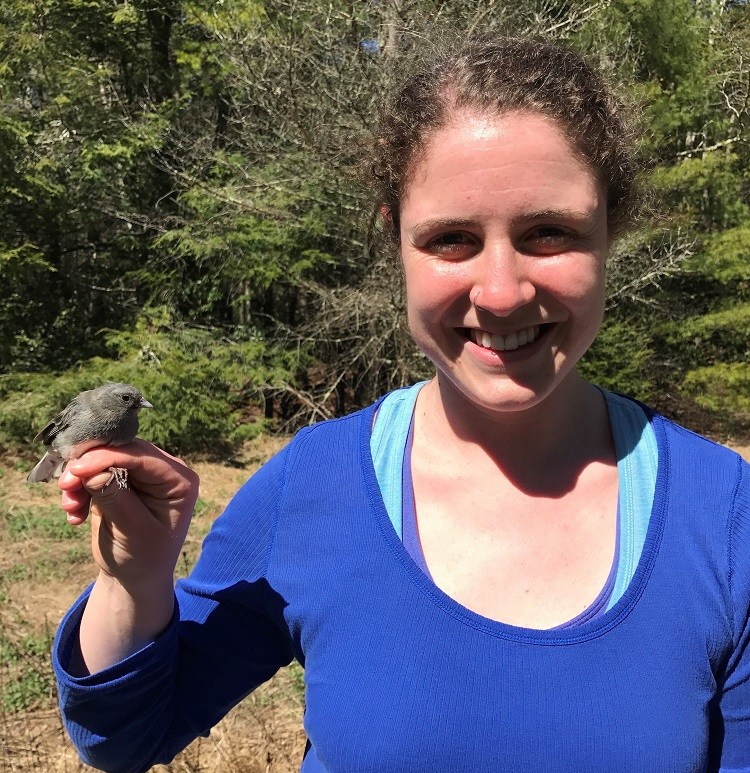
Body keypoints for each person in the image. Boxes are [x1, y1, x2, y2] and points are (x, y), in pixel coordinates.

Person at [53, 37, 750, 772]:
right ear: (396, 244)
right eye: (451, 238)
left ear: (613, 229)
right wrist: (134, 579)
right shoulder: (312, 486)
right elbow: (125, 735)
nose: (503, 290)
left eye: (550, 231)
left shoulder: (724, 512)